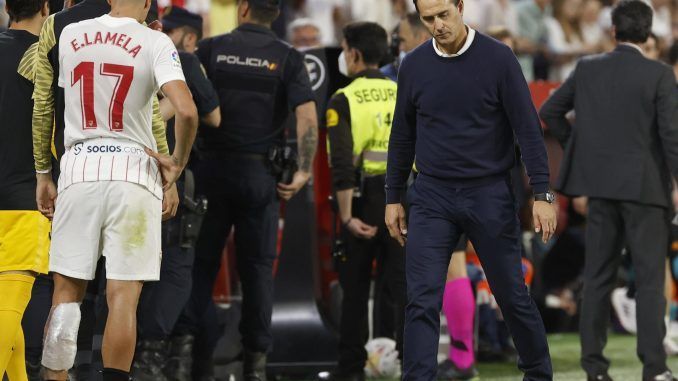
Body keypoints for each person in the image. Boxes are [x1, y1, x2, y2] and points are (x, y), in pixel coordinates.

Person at [385, 0, 558, 380]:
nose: (437, 25)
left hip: (489, 193)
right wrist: (393, 196)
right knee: (421, 300)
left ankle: (538, 374)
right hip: (431, 195)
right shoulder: (413, 65)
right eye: (428, 18)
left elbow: (529, 130)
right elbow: (402, 135)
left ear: (461, 6)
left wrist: (543, 194)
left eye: (443, 15)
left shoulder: (499, 59)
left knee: (512, 296)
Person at [33, 0, 199, 378]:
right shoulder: (155, 41)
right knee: (122, 296)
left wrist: (44, 173)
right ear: (146, 2)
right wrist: (177, 162)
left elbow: (47, 105)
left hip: (78, 167)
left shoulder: (71, 34)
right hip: (134, 173)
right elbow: (186, 111)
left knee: (65, 296)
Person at [172, 1, 318, 380]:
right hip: (259, 178)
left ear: (243, 8)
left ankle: (185, 360)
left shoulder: (209, 48)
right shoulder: (288, 58)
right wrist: (303, 170)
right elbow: (306, 115)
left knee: (198, 267)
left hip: (210, 174)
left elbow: (186, 101)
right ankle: (255, 367)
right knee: (257, 273)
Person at [539, 1, 678, 379]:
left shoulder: (587, 68)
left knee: (598, 278)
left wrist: (580, 151)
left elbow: (550, 112)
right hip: (647, 190)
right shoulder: (660, 75)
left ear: (613, 32)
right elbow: (671, 137)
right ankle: (654, 369)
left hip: (600, 190)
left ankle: (595, 370)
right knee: (650, 282)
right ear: (649, 34)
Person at [132, 6, 221, 381]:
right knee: (175, 270)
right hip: (169, 177)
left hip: (118, 175)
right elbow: (211, 116)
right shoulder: (180, 58)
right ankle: (161, 366)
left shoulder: (105, 48)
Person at [321, 21, 405, 381]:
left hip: (364, 200)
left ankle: (352, 368)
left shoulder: (345, 98)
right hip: (406, 198)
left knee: (355, 287)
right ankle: (400, 362)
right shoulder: (403, 92)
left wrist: (345, 215)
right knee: (398, 287)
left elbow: (342, 163)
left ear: (353, 53)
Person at [0, 0, 50, 378]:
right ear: (47, 8)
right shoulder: (48, 60)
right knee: (7, 313)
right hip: (25, 200)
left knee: (9, 319)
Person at [381, 12, 429, 82]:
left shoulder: (447, 73)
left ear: (424, 39)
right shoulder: (386, 76)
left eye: (403, 41)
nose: (401, 48)